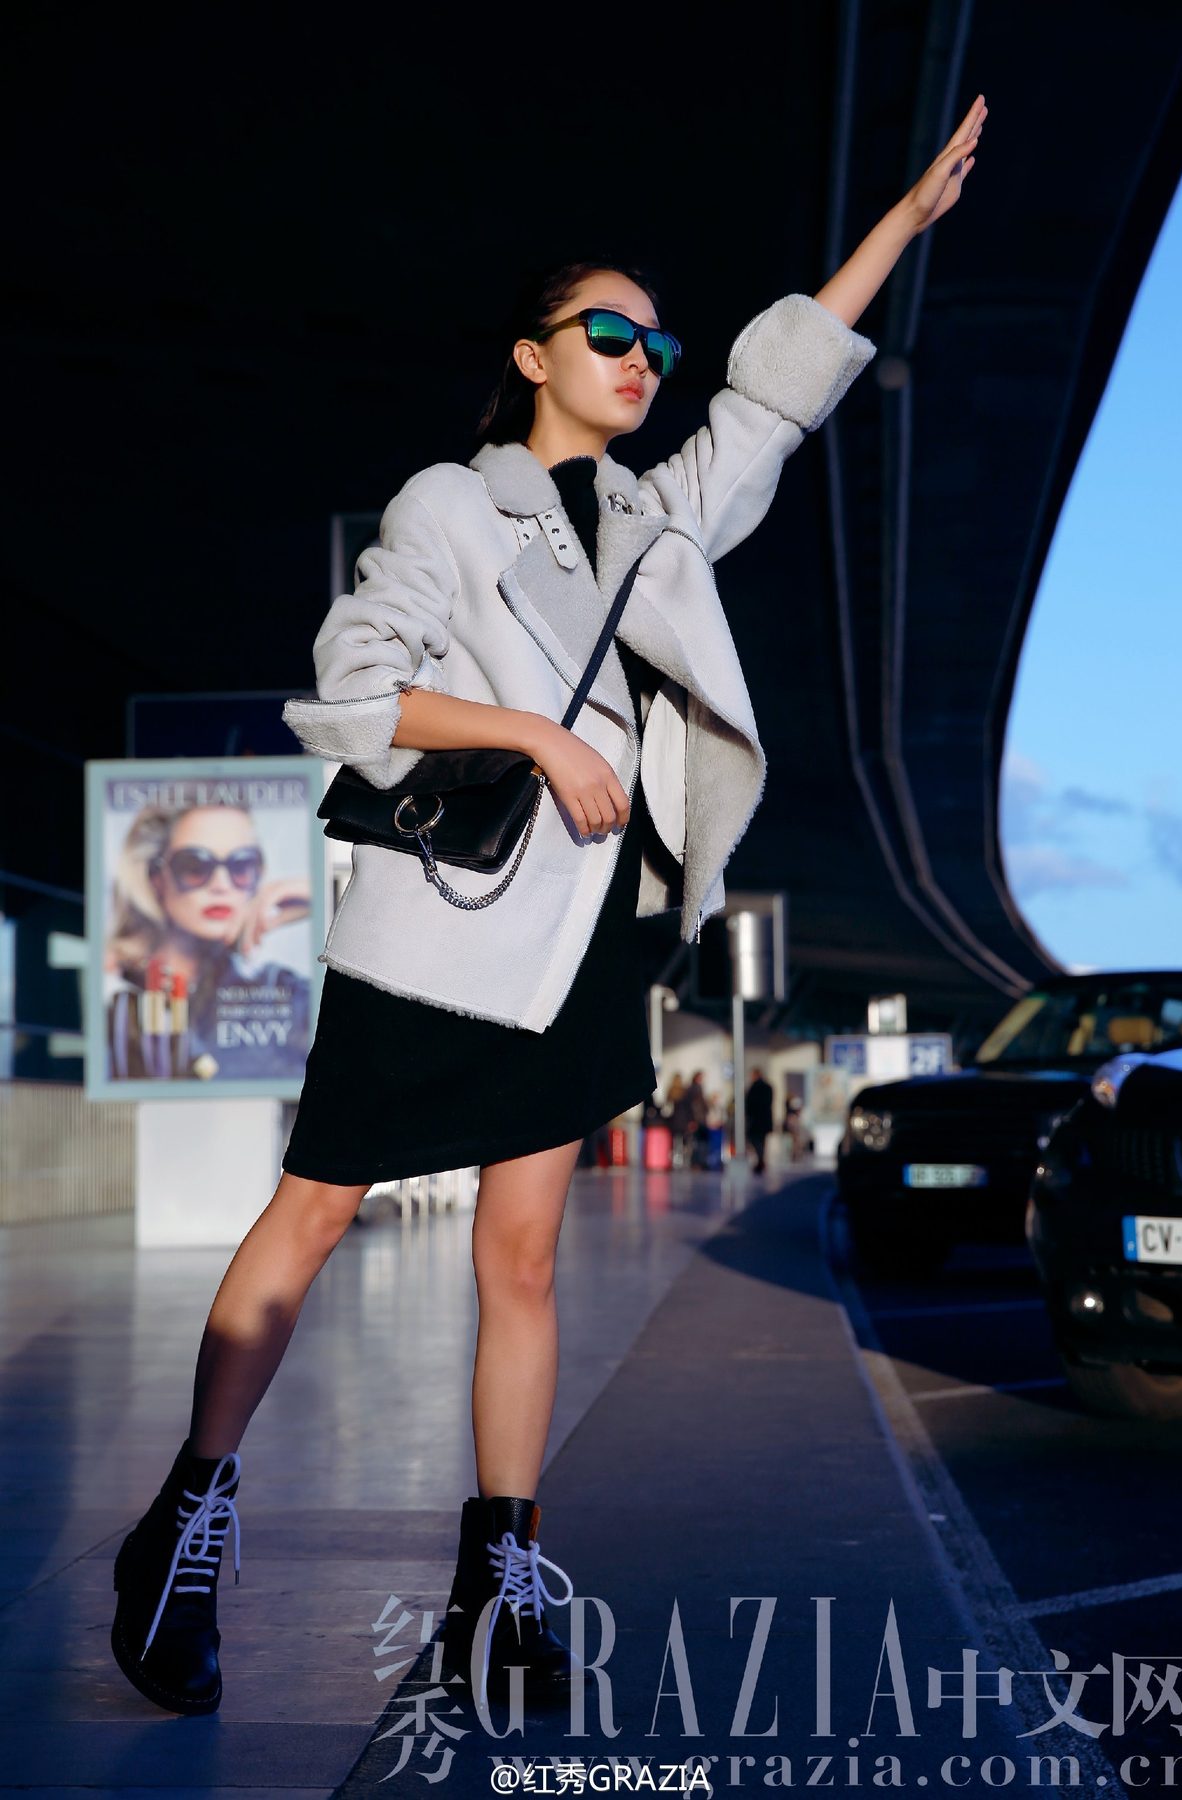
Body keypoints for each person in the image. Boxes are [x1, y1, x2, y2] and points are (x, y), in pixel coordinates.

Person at [109, 97, 986, 1719]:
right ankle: (191, 1514)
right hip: (439, 933)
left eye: (654, 340)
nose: (641, 358)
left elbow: (776, 399)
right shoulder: (451, 502)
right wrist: (521, 729)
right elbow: (353, 688)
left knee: (522, 1264)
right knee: (312, 1214)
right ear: (532, 354)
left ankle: (498, 1577)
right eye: (607, 333)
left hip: (584, 954)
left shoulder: (664, 520)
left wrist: (901, 229)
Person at [103, 802, 312, 1083]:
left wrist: (312, 893)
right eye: (194, 865)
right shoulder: (116, 996)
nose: (221, 884)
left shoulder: (281, 991)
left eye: (242, 865)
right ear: (157, 878)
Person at [745, 1067, 776, 1174]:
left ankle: (761, 1160)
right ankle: (761, 1160)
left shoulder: (754, 1088)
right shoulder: (768, 1087)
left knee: (755, 1139)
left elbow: (749, 1104)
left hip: (756, 1120)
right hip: (765, 1119)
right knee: (762, 1141)